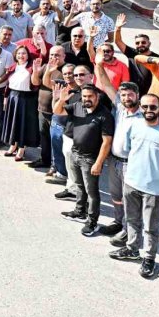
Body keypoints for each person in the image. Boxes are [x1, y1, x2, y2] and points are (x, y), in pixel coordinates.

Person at [108, 93, 159, 279]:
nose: (149, 110)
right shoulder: (133, 126)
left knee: (150, 227)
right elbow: (127, 149)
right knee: (131, 220)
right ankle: (132, 248)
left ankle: (149, 258)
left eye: (153, 107)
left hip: (154, 190)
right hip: (131, 182)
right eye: (145, 107)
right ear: (141, 107)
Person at [95, 53, 143, 246]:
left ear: (137, 96)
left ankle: (127, 230)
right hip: (114, 160)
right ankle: (118, 221)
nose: (126, 97)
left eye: (130, 94)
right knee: (116, 196)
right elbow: (106, 84)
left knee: (129, 198)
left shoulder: (144, 115)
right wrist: (99, 65)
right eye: (123, 94)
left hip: (130, 164)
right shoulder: (120, 107)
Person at [54, 83, 114, 237]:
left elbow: (107, 142)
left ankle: (92, 222)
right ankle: (80, 211)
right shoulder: (77, 106)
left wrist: (99, 163)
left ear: (97, 97)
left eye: (90, 96)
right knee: (79, 186)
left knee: (92, 192)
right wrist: (61, 100)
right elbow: (57, 111)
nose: (87, 99)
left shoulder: (105, 115)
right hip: (75, 153)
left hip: (90, 159)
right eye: (84, 96)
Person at [1, 46, 43, 160]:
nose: (21, 56)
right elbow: (8, 85)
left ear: (28, 55)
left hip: (27, 99)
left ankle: (21, 149)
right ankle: (12, 145)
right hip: (13, 98)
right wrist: (6, 97)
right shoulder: (13, 67)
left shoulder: (31, 67)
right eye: (19, 53)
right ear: (15, 55)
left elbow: (36, 84)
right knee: (13, 123)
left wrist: (35, 71)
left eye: (24, 53)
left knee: (23, 124)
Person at [30, 45, 65, 171]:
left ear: (64, 56)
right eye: (51, 55)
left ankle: (56, 166)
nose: (53, 57)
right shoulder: (45, 66)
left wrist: (49, 72)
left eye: (57, 55)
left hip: (57, 112)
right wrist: (35, 71)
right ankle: (45, 160)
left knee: (56, 140)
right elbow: (35, 82)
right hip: (42, 109)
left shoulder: (66, 70)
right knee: (44, 137)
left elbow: (48, 84)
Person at [112, 13, 159, 97]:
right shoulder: (132, 53)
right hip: (132, 93)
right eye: (137, 43)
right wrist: (118, 28)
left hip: (149, 94)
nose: (140, 44)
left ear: (149, 43)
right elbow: (118, 41)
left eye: (143, 42)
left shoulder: (157, 58)